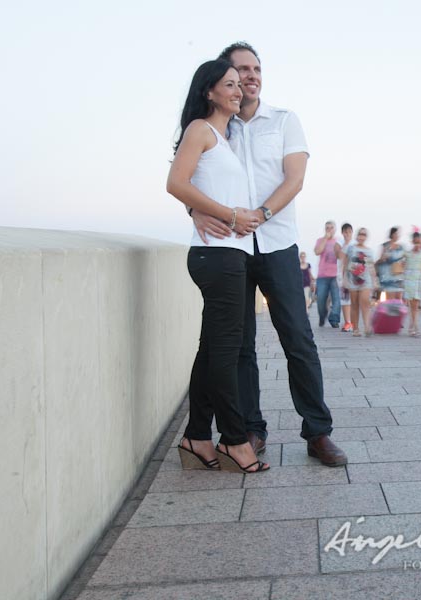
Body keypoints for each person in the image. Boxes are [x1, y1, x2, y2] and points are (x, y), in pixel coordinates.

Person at [190, 42, 346, 466]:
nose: (251, 75)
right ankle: (251, 430)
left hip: (277, 245)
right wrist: (193, 208)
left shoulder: (284, 120)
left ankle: (317, 431)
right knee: (240, 345)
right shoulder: (216, 126)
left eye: (256, 68)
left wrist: (261, 214)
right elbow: (190, 173)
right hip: (230, 250)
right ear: (228, 78)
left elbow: (295, 179)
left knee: (298, 338)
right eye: (241, 70)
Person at [166, 59, 268, 473]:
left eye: (238, 84)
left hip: (230, 257)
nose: (237, 89)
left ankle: (196, 437)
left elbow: (200, 187)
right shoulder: (200, 130)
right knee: (225, 353)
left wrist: (207, 210)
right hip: (217, 256)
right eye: (229, 84)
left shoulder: (226, 140)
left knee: (212, 352)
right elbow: (176, 182)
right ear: (208, 92)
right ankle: (234, 440)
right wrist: (228, 214)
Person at [341, 228, 375, 336]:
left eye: (364, 235)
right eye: (360, 234)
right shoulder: (351, 248)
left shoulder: (369, 251)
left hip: (366, 280)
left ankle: (367, 327)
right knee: (354, 305)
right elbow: (345, 263)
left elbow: (371, 266)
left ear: (366, 237)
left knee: (365, 302)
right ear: (357, 236)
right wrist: (344, 279)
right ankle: (356, 329)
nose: (361, 237)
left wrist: (374, 280)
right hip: (352, 280)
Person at [314, 221, 342, 328]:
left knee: (336, 299)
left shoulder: (339, 241)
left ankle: (334, 319)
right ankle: (322, 315)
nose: (329, 229)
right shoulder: (320, 240)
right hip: (322, 275)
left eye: (331, 227)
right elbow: (317, 251)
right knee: (321, 299)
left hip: (336, 275)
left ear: (335, 229)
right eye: (327, 228)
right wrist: (325, 238)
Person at [376, 226, 405, 300]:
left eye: (398, 234)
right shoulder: (385, 246)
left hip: (398, 275)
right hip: (388, 276)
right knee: (390, 299)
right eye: (395, 233)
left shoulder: (401, 247)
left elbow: (404, 260)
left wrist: (403, 264)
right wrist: (383, 258)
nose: (397, 235)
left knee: (399, 298)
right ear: (392, 234)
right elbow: (379, 260)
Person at [338, 222, 354, 332]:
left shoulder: (355, 244)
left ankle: (353, 322)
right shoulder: (341, 244)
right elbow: (340, 257)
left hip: (355, 277)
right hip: (344, 276)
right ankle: (347, 322)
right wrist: (346, 244)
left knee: (354, 300)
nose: (347, 234)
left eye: (349, 232)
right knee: (345, 300)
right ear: (342, 233)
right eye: (345, 232)